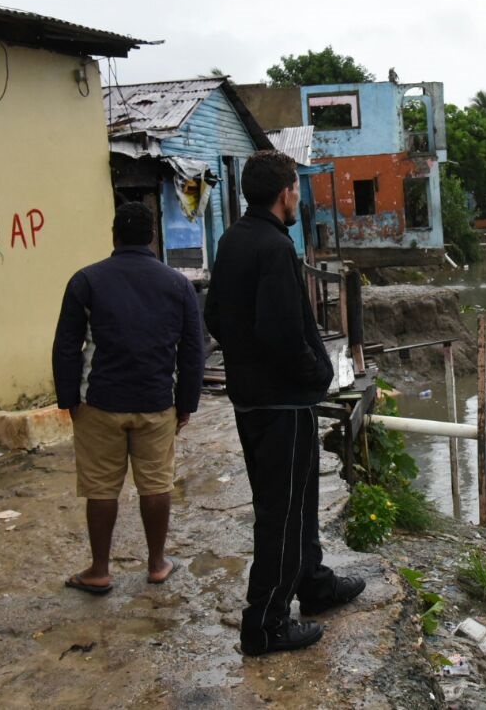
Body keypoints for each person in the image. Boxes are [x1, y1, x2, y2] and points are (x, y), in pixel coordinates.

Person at [204, 150, 365, 656]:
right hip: (282, 404)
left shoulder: (233, 240)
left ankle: (312, 582)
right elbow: (280, 332)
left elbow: (214, 318)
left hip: (254, 399)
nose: (298, 196)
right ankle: (265, 623)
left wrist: (249, 360)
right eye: (296, 187)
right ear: (285, 193)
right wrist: (317, 374)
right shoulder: (273, 248)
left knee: (294, 504)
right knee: (283, 512)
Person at [52, 202, 203, 594]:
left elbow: (67, 345)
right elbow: (191, 350)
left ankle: (100, 570)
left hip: (101, 403)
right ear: (152, 237)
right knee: (156, 484)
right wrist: (186, 403)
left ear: (114, 235)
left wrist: (69, 399)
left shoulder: (86, 280)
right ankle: (156, 564)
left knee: (101, 488)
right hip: (157, 401)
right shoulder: (178, 284)